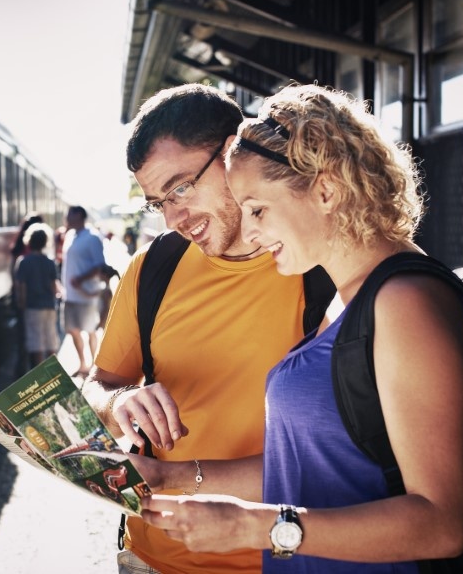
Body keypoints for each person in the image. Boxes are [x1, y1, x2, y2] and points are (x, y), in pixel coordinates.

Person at [137, 84, 463, 573]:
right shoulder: (346, 298)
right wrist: (170, 476)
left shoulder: (405, 303)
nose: (250, 233)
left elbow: (441, 524)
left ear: (325, 189)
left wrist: (253, 527)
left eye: (257, 209)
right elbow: (305, 465)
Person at [81, 83, 307, 574]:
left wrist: (176, 475)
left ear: (232, 153)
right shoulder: (153, 267)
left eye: (182, 187)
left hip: (281, 560)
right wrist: (118, 403)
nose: (175, 217)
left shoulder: (317, 267)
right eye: (159, 202)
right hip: (151, 557)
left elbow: (344, 457)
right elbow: (98, 385)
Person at [60, 206, 108, 376]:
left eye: (69, 215)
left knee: (90, 331)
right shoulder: (70, 236)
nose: (66, 218)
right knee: (72, 330)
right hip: (70, 295)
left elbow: (99, 265)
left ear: (79, 216)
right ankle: (83, 365)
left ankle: (95, 366)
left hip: (87, 294)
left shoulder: (92, 237)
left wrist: (81, 279)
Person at [13, 222, 61, 370]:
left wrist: (21, 303)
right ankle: (54, 373)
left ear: (29, 241)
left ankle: (41, 376)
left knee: (36, 343)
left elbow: (21, 286)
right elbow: (54, 285)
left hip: (32, 307)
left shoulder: (24, 262)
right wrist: (56, 297)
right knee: (50, 341)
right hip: (49, 306)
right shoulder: (50, 262)